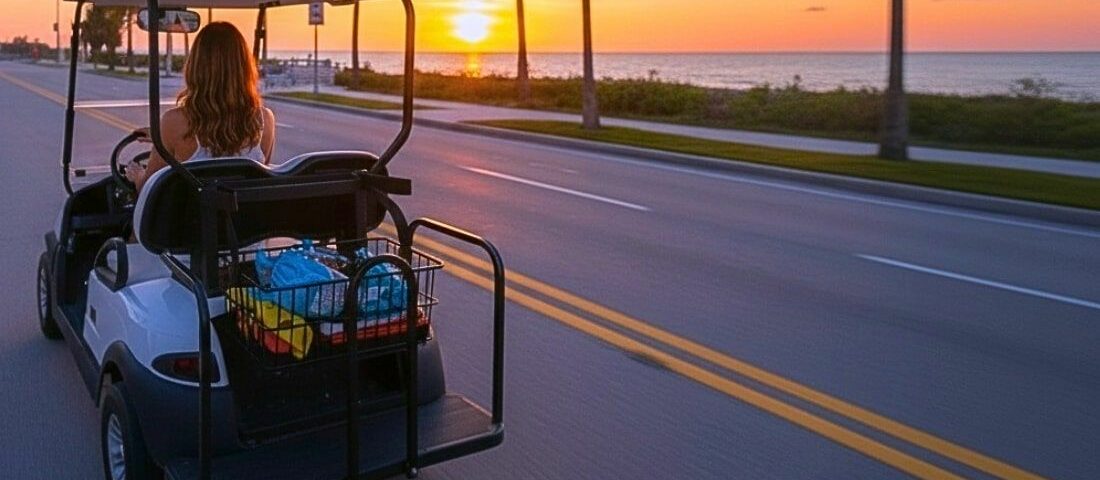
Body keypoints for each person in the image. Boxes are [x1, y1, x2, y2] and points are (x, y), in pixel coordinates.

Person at [127, 22, 276, 193]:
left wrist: (137, 176)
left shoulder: (174, 123)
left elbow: (149, 189)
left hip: (191, 219)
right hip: (245, 218)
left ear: (195, 66)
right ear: (245, 67)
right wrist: (160, 136)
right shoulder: (265, 120)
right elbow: (257, 179)